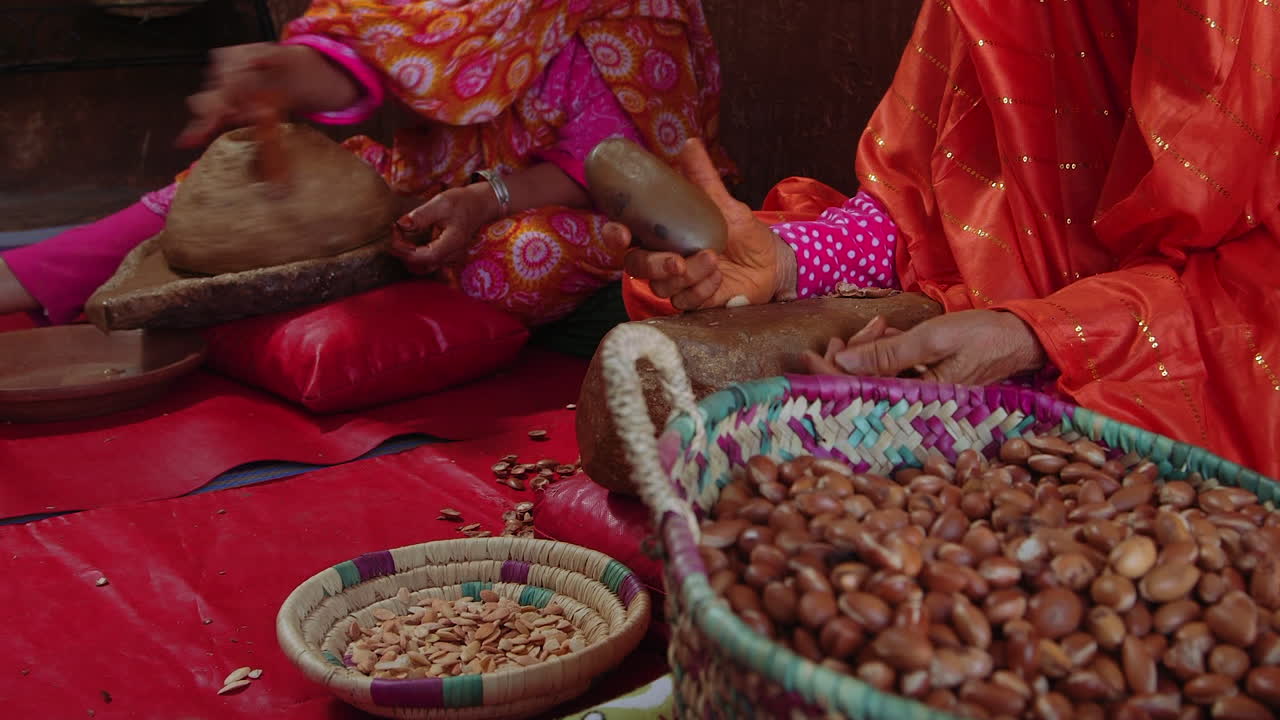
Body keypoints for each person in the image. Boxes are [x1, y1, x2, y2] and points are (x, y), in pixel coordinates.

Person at [609, 0, 1280, 479]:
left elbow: (1254, 300)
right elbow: (940, 207)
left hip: (1202, 370)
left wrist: (1040, 335)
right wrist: (790, 264)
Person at [0, 0, 731, 328]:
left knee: (516, 259)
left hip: (571, 210)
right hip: (434, 183)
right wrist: (281, 72)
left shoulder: (628, 9)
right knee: (228, 188)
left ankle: (322, 279)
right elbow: (368, 60)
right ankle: (24, 278)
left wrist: (484, 200)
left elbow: (609, 166)